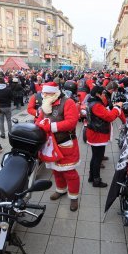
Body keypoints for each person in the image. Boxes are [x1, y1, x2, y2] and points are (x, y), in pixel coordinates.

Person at [36, 82, 80, 211]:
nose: (44, 95)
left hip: (65, 142)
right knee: (56, 170)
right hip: (50, 144)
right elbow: (39, 120)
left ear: (55, 92)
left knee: (69, 172)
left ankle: (74, 197)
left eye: (47, 93)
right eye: (44, 93)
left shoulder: (68, 102)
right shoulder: (45, 103)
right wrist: (39, 126)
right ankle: (61, 190)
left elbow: (71, 122)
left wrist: (50, 127)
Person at [86, 86, 125, 187]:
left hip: (94, 133)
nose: (104, 95)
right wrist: (117, 107)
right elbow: (110, 117)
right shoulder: (97, 105)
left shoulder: (92, 102)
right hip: (98, 134)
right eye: (103, 94)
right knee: (97, 158)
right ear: (98, 94)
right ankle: (96, 180)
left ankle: (92, 177)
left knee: (95, 157)